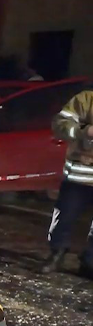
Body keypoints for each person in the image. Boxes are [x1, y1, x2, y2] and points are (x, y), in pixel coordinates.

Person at [42, 89, 93, 277]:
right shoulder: (86, 100)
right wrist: (84, 131)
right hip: (79, 175)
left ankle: (90, 263)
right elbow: (60, 123)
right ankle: (57, 254)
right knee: (65, 216)